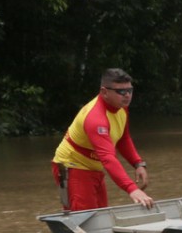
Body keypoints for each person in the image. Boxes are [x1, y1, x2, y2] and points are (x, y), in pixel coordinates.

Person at [51, 68, 153, 211]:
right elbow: (108, 158)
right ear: (104, 92)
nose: (127, 95)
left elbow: (123, 138)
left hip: (94, 166)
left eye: (130, 90)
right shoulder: (96, 118)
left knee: (102, 214)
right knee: (86, 216)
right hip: (73, 166)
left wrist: (138, 163)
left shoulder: (121, 107)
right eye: (121, 91)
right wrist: (132, 189)